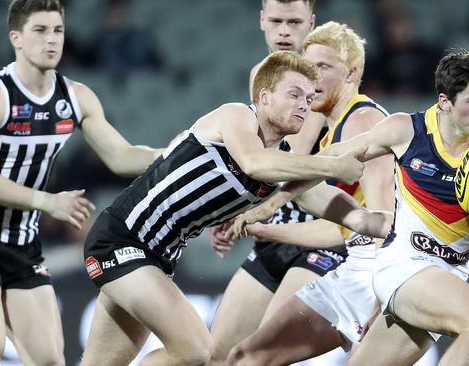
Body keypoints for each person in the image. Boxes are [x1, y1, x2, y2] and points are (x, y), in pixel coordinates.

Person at [231, 48, 469, 366]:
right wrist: (266, 205)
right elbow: (327, 160)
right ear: (445, 102)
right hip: (402, 264)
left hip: (445, 277)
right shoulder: (407, 130)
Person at [79, 50, 390, 366]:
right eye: (294, 94)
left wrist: (396, 226)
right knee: (195, 350)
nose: (304, 105)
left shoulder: (283, 163)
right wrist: (332, 165)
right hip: (122, 241)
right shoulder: (238, 116)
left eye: (309, 99)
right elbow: (255, 164)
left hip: (158, 258)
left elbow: (350, 215)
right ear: (265, 96)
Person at [0, 1, 163, 365]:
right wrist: (48, 202)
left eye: (58, 31)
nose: (52, 40)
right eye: (40, 30)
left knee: (49, 360)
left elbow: (121, 156)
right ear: (15, 38)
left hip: (23, 246)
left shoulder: (76, 97)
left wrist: (178, 152)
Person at [225, 21, 395, 365]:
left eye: (323, 67)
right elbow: (345, 223)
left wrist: (384, 298)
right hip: (357, 266)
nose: (312, 78)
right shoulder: (337, 128)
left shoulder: (363, 122)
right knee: (245, 357)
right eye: (308, 66)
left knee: (248, 358)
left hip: (372, 275)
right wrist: (262, 219)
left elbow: (385, 221)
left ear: (351, 74)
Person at [206, 2, 348, 364]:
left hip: (317, 237)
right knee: (216, 354)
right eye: (277, 21)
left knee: (261, 357)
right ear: (261, 21)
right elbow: (255, 155)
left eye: (294, 22)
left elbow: (289, 161)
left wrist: (244, 209)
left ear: (311, 24)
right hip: (274, 233)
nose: (284, 31)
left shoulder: (318, 80)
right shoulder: (262, 75)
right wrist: (229, 210)